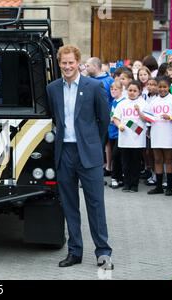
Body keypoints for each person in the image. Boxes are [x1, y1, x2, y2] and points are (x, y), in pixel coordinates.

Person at [46, 45, 113, 268]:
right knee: (69, 204)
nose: (67, 66)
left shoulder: (93, 86)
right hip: (64, 152)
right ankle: (75, 252)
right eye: (63, 63)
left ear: (78, 63)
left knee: (95, 204)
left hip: (89, 154)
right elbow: (55, 118)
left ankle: (103, 252)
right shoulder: (52, 89)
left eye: (71, 62)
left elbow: (103, 120)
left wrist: (94, 144)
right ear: (59, 63)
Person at [141, 76, 172, 196]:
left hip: (169, 133)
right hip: (156, 132)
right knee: (157, 159)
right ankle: (158, 186)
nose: (162, 89)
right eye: (160, 87)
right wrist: (146, 123)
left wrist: (171, 117)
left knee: (168, 160)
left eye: (165, 87)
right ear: (157, 87)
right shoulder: (153, 101)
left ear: (169, 87)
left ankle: (168, 186)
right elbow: (148, 116)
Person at [113, 81, 147, 192]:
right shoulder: (122, 103)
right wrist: (119, 125)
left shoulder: (143, 103)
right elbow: (115, 118)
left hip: (137, 137)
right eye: (130, 90)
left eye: (135, 91)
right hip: (124, 137)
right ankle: (127, 183)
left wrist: (139, 111)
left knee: (135, 162)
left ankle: (134, 184)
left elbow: (146, 119)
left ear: (139, 91)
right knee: (125, 162)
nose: (132, 93)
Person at [85, 57, 115, 176]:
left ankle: (101, 171)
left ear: (95, 66)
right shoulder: (86, 80)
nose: (85, 68)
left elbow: (114, 100)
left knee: (101, 146)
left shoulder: (109, 81)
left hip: (104, 120)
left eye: (87, 65)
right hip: (89, 120)